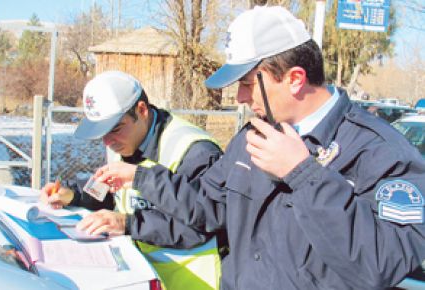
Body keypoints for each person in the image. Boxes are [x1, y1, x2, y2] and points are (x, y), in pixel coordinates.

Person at [91, 6, 425, 290]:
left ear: (295, 78)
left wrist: (304, 174)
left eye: (249, 84)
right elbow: (208, 208)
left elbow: (381, 264)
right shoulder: (253, 136)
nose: (240, 99)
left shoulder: (381, 153)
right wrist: (144, 179)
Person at [40, 71, 223, 290]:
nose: (108, 142)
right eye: (102, 133)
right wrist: (73, 195)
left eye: (115, 129)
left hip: (193, 282)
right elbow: (109, 193)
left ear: (142, 110)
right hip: (140, 278)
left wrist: (127, 223)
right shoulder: (122, 142)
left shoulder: (195, 150)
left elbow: (204, 224)